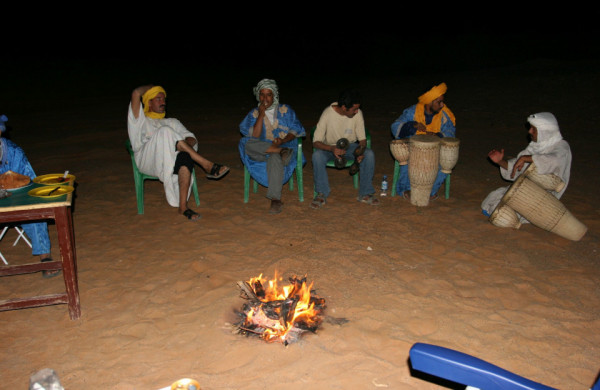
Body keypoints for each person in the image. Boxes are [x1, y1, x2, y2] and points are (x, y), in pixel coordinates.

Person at [127, 85, 229, 221]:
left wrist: (183, 145)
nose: (163, 102)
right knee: (165, 131)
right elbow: (136, 93)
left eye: (164, 99)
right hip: (147, 161)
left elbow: (191, 138)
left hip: (170, 160)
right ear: (149, 103)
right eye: (158, 99)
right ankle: (206, 164)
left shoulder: (172, 122)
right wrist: (156, 86)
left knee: (185, 156)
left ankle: (183, 207)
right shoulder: (140, 122)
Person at [481, 112, 571, 220]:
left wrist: (528, 158)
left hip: (544, 197)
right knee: (492, 199)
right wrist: (500, 161)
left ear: (544, 132)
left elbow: (554, 160)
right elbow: (518, 168)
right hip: (527, 190)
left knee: (506, 215)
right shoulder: (536, 146)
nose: (529, 131)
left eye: (534, 129)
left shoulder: (562, 146)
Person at [0, 115, 57, 278]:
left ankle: (45, 257)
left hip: (16, 203)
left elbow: (30, 183)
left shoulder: (14, 153)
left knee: (34, 210)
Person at [239, 79, 306, 214]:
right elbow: (254, 137)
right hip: (263, 150)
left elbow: (295, 130)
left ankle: (275, 199)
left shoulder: (285, 110)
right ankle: (281, 151)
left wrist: (282, 141)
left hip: (282, 145)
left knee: (274, 157)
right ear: (258, 96)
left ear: (274, 95)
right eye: (262, 95)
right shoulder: (254, 113)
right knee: (244, 143)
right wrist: (261, 114)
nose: (265, 98)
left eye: (268, 94)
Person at [311, 89, 378, 209]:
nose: (357, 111)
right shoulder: (327, 114)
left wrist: (360, 152)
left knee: (369, 154)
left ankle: (365, 193)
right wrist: (331, 148)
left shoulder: (358, 114)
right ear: (343, 107)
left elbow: (362, 139)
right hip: (329, 147)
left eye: (358, 108)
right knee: (317, 156)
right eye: (354, 109)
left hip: (350, 147)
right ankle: (321, 194)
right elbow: (316, 142)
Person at [390, 82, 456, 200]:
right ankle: (406, 189)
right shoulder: (413, 112)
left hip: (435, 151)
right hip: (414, 149)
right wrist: (412, 125)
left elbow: (451, 132)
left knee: (447, 160)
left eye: (442, 101)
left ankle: (431, 191)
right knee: (405, 154)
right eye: (438, 102)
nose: (442, 105)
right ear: (429, 102)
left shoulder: (444, 115)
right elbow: (395, 126)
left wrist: (438, 135)